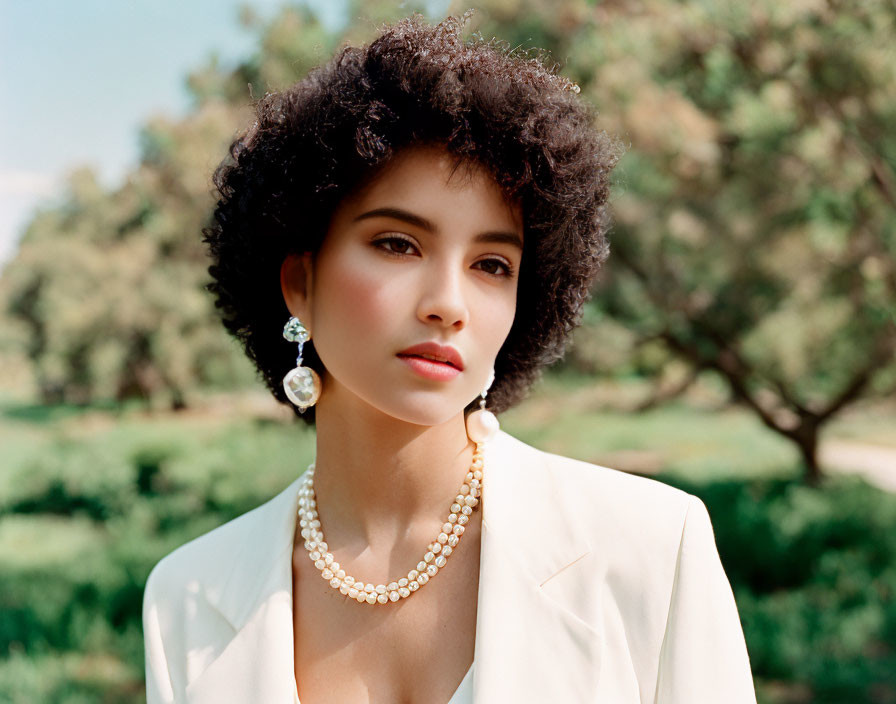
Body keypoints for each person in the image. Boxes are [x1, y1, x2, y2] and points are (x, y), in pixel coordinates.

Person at [142, 10, 757, 704]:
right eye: (398, 244)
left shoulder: (650, 550)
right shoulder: (188, 598)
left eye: (492, 263)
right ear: (299, 283)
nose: (448, 302)